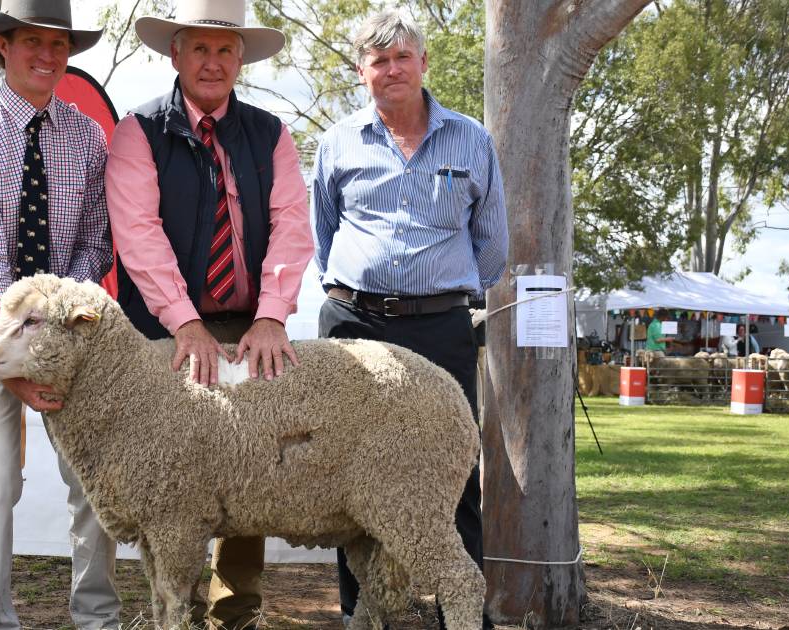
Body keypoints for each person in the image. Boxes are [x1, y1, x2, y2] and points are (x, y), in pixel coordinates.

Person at [105, 0, 312, 626]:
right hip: (162, 333)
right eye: (200, 48)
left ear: (241, 58)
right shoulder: (137, 131)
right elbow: (137, 232)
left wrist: (273, 315)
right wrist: (184, 321)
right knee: (168, 478)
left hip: (250, 325)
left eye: (226, 49)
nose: (213, 61)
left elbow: (292, 226)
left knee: (249, 469)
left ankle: (236, 611)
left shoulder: (271, 133)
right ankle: (174, 608)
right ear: (176, 54)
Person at [310, 9, 506, 628]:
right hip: (352, 325)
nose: (390, 70)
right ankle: (358, 614)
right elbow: (323, 234)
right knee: (344, 472)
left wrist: (440, 291)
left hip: (437, 327)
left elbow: (492, 245)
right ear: (362, 72)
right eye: (377, 61)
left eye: (401, 57)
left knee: (453, 465)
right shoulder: (337, 142)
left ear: (422, 63)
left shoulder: (472, 140)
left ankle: (462, 614)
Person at [0, 2, 119, 628]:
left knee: (91, 475)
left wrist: (57, 332)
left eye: (58, 43)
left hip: (68, 327)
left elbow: (98, 240)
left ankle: (96, 615)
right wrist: (16, 363)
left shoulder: (88, 136)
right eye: (32, 42)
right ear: (3, 47)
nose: (48, 55)